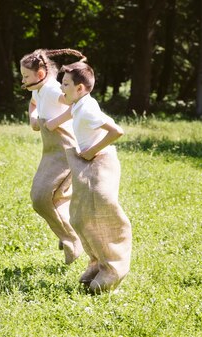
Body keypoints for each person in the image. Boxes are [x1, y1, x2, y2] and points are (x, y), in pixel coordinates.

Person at [46, 59, 132, 294]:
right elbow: (64, 115)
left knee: (103, 210)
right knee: (80, 217)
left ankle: (113, 268)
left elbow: (117, 131)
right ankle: (97, 263)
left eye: (65, 84)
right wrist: (49, 122)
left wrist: (92, 150)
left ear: (80, 88)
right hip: (87, 163)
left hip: (101, 162)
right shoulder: (78, 104)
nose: (61, 88)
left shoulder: (88, 108)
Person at [20, 48, 84, 264]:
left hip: (66, 150)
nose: (23, 80)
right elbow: (33, 104)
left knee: (41, 198)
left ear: (40, 75)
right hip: (50, 152)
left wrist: (57, 121)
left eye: (26, 76)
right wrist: (33, 118)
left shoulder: (50, 90)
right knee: (48, 197)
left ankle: (72, 240)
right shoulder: (38, 91)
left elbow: (76, 103)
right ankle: (68, 230)